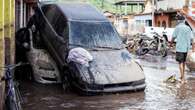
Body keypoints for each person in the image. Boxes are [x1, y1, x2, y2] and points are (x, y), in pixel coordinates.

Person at [171, 14, 194, 84]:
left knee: (180, 63)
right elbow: (192, 39)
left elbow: (173, 36)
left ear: (179, 21)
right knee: (183, 62)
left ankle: (182, 78)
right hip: (186, 48)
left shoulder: (177, 27)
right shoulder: (188, 28)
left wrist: (171, 43)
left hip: (180, 48)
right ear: (184, 21)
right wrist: (192, 47)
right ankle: (182, 76)